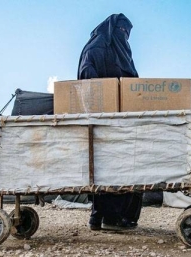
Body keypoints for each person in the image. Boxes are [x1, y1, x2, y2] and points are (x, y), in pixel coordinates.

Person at [78, 13, 142, 231]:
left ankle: (100, 216)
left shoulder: (121, 52)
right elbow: (87, 82)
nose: (124, 36)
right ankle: (111, 218)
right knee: (113, 167)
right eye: (121, 31)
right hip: (104, 120)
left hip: (121, 122)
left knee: (112, 167)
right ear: (112, 29)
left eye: (127, 34)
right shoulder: (95, 50)